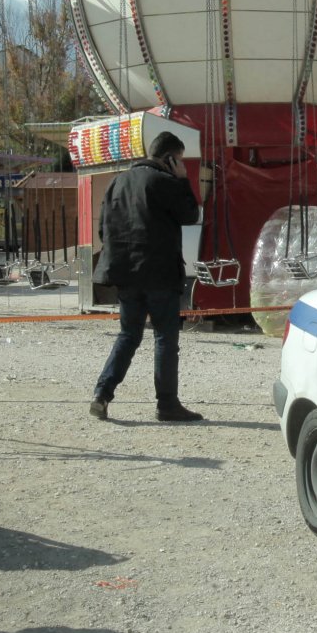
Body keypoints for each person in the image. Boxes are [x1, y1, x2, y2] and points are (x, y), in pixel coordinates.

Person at [89, 131, 204, 423]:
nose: (180, 164)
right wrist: (183, 180)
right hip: (160, 274)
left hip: (126, 275)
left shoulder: (118, 182)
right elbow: (190, 215)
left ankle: (102, 394)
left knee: (128, 335)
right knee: (165, 337)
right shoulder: (164, 181)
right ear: (169, 157)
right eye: (178, 159)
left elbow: (104, 228)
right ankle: (167, 404)